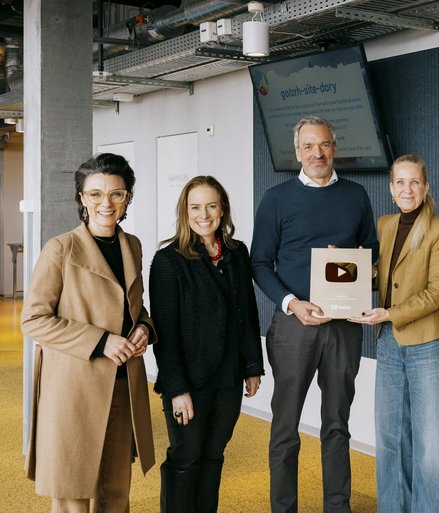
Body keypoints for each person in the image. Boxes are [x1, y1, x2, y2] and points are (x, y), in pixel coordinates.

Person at [251, 116, 379, 513]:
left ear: (334, 148)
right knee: (286, 426)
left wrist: (366, 272)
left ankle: (337, 507)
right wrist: (292, 303)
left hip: (343, 328)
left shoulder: (357, 195)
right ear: (297, 152)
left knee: (337, 424)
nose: (317, 153)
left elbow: (370, 254)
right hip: (292, 326)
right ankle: (283, 508)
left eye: (323, 145)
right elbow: (259, 263)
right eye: (308, 146)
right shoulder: (276, 199)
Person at [20, 153, 155, 513]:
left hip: (122, 382)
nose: (105, 203)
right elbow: (34, 319)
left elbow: (133, 308)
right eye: (95, 194)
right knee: (72, 488)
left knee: (115, 490)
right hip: (75, 385)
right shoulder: (60, 249)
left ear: (127, 198)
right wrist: (100, 341)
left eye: (115, 194)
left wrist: (144, 327)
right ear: (82, 198)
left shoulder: (133, 246)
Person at [350, 154, 439, 513]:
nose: (407, 189)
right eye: (400, 182)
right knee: (390, 437)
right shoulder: (384, 224)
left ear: (426, 188)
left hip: (427, 343)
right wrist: (349, 268)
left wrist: (390, 313)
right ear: (391, 189)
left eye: (414, 182)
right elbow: (383, 275)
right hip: (389, 344)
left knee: (432, 443)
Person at [149, 176, 264, 513]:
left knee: (214, 455)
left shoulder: (236, 252)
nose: (204, 214)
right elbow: (165, 335)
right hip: (190, 380)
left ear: (222, 209)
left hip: (228, 377)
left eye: (211, 205)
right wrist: (177, 388)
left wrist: (252, 366)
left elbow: (247, 311)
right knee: (186, 455)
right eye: (195, 207)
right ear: (184, 212)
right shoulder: (169, 260)